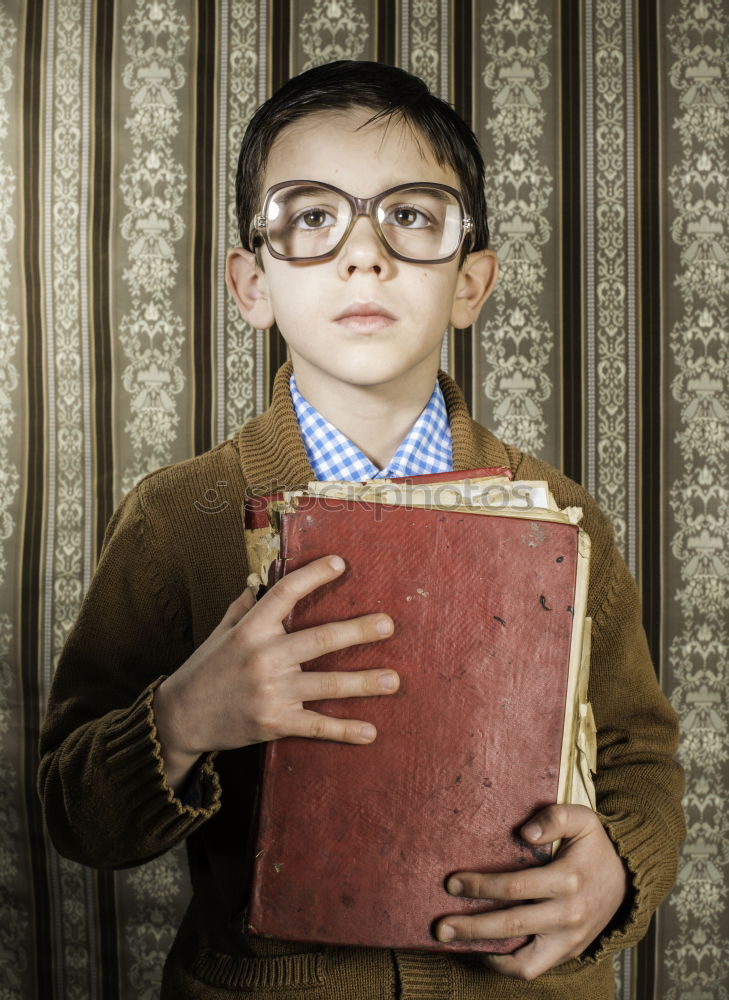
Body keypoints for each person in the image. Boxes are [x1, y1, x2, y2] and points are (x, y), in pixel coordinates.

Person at [38, 60, 684, 999]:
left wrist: (618, 869)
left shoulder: (561, 513)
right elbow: (74, 813)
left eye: (410, 215)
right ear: (251, 283)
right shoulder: (180, 518)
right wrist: (182, 720)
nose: (363, 252)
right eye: (311, 217)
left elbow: (637, 755)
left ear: (470, 282)